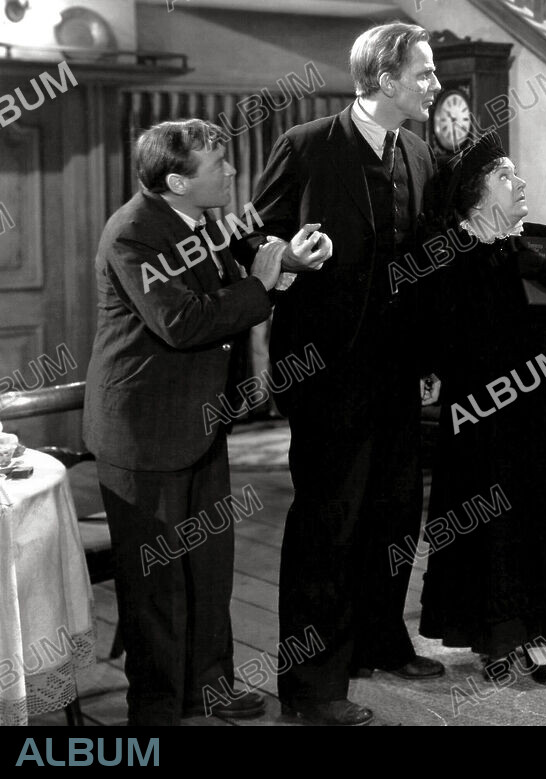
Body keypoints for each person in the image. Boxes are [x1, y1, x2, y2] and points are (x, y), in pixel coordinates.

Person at [232, 22, 444, 726]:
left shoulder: (417, 150)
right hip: (325, 374)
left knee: (393, 515)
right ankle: (312, 684)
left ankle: (380, 640)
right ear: (385, 80)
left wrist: (431, 357)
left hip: (397, 371)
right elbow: (249, 239)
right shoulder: (306, 145)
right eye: (424, 73)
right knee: (328, 524)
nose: (434, 85)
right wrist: (286, 254)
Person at [83, 119, 326, 725]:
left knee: (210, 570)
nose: (233, 172)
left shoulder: (203, 221)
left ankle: (209, 688)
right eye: (219, 166)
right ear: (175, 181)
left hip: (199, 423)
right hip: (143, 432)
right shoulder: (133, 234)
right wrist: (263, 283)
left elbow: (255, 270)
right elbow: (184, 323)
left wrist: (287, 261)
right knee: (158, 586)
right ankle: (158, 707)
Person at [417, 132, 546, 685]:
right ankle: (497, 637)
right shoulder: (446, 256)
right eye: (506, 176)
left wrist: (541, 268)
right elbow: (436, 340)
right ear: (477, 197)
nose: (521, 182)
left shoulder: (544, 240)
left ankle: (543, 636)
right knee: (493, 529)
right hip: (487, 422)